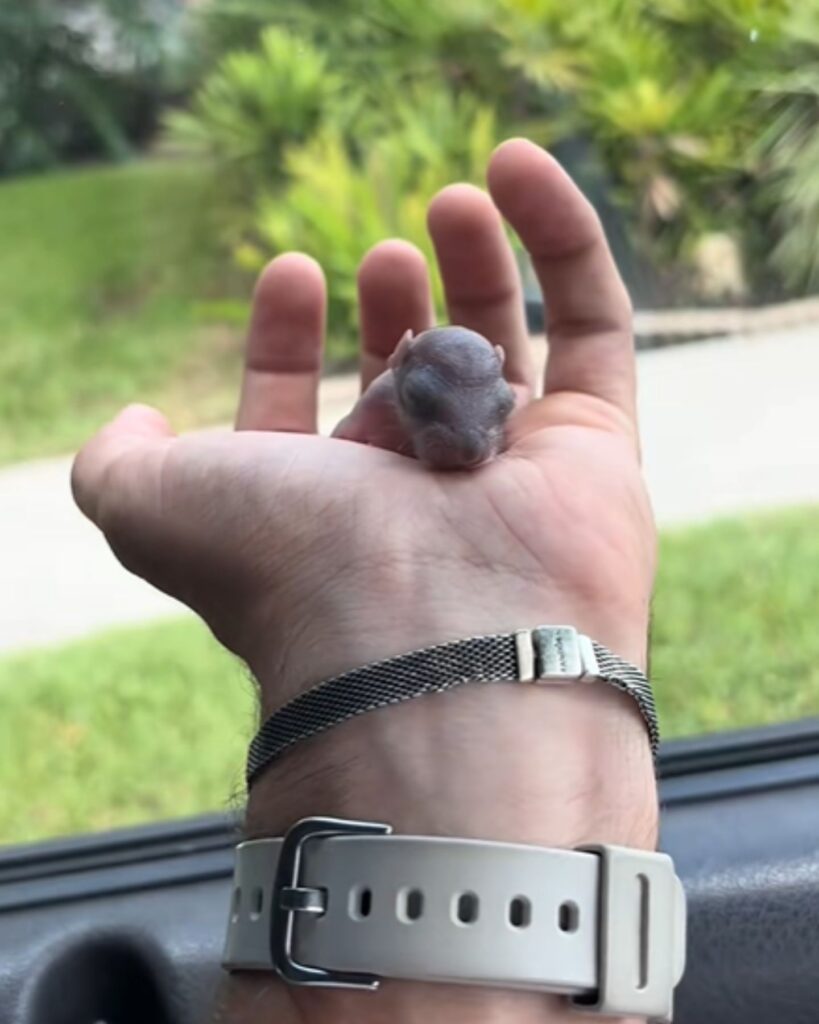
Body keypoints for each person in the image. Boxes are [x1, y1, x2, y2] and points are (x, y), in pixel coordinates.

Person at [72, 138, 659, 1024]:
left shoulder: (451, 397)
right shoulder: (394, 405)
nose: (468, 446)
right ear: (401, 373)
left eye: (494, 415)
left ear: (505, 389)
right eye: (429, 411)